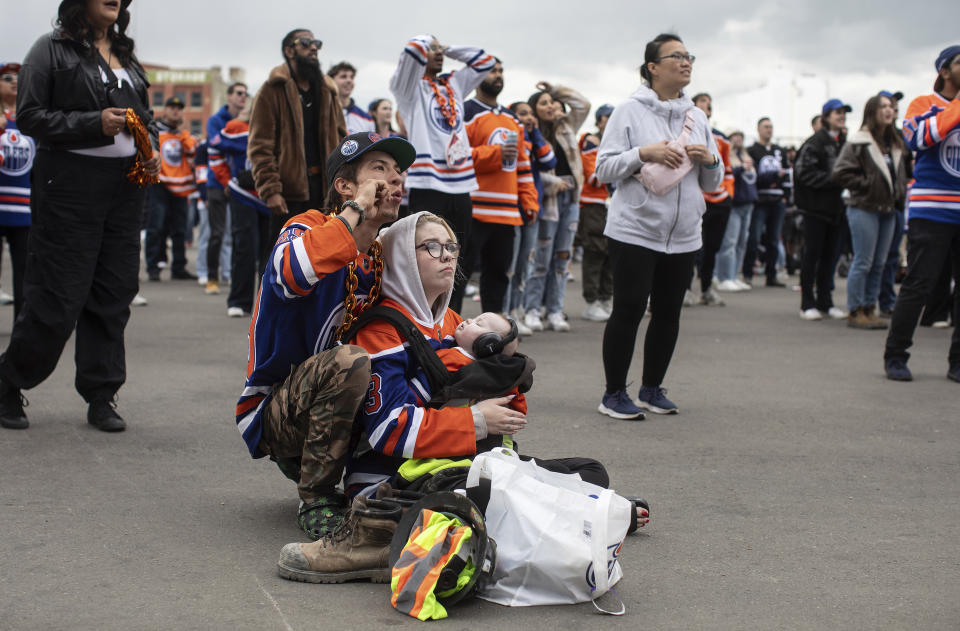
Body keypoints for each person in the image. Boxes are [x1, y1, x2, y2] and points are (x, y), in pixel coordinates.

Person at [275, 211, 645, 584]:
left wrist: (506, 375)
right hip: (393, 479)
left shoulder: (453, 322)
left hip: (459, 463)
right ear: (401, 256)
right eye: (432, 247)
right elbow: (388, 431)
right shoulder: (381, 330)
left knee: (590, 471)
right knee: (482, 493)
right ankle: (376, 536)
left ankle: (582, 511)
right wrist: (476, 420)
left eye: (452, 246)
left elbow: (494, 406)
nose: (448, 255)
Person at [236, 131, 414, 539]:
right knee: (350, 361)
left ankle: (369, 481)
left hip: (334, 393)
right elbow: (291, 274)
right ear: (345, 186)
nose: (397, 179)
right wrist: (354, 211)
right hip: (276, 408)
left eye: (400, 171)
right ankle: (315, 495)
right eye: (380, 170)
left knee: (406, 355)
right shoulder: (306, 228)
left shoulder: (380, 254)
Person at [0, 0, 160, 432]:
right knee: (58, 294)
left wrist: (153, 148)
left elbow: (144, 117)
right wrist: (93, 122)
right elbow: (29, 116)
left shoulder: (126, 55)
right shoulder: (50, 49)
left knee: (114, 292)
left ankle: (102, 394)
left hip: (125, 187)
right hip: (70, 183)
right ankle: (8, 380)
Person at [595, 33, 722, 419]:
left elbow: (712, 185)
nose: (686, 62)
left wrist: (710, 160)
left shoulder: (696, 116)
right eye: (677, 56)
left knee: (669, 312)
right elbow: (603, 169)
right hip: (635, 228)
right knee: (629, 308)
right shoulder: (629, 111)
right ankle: (614, 393)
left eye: (689, 56)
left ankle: (652, 389)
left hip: (683, 233)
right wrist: (642, 153)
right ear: (653, 66)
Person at [389, 34, 495, 313]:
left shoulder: (454, 84)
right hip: (428, 182)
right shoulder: (408, 89)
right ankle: (418, 317)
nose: (437, 52)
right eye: (431, 48)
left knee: (457, 256)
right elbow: (411, 50)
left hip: (460, 183)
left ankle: (451, 318)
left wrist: (450, 49)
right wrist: (425, 43)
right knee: (425, 256)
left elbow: (485, 61)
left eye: (439, 48)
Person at [884, 45, 960, 382]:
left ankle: (957, 362)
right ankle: (896, 356)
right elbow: (918, 138)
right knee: (918, 285)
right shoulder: (922, 105)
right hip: (931, 211)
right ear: (944, 71)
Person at [248, 29, 346, 251]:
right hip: (288, 192)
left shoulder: (328, 91)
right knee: (281, 257)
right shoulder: (272, 90)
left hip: (325, 191)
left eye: (316, 43)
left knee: (322, 257)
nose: (313, 48)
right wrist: (271, 189)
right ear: (289, 50)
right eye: (305, 43)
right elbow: (260, 146)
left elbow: (342, 139)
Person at [462, 59, 538, 315]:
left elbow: (523, 166)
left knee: (498, 277)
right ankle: (449, 331)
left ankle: (492, 334)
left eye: (500, 71)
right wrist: (494, 153)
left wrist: (528, 200)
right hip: (474, 210)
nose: (498, 76)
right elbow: (455, 157)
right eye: (492, 71)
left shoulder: (512, 119)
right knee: (459, 276)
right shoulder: (465, 112)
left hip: (506, 213)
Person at [832, 94, 908, 330]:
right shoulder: (859, 140)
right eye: (884, 107)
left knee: (880, 262)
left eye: (891, 107)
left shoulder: (894, 141)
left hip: (889, 208)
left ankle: (869, 307)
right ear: (872, 111)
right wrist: (866, 185)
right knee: (863, 261)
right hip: (864, 207)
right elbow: (841, 172)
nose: (889, 110)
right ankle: (855, 310)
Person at [522, 82, 591, 333]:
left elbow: (583, 104)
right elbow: (530, 169)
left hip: (571, 197)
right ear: (533, 109)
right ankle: (531, 309)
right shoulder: (530, 131)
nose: (550, 106)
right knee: (540, 257)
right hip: (546, 198)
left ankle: (554, 310)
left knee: (563, 255)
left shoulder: (566, 126)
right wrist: (552, 183)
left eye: (552, 102)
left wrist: (555, 90)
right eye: (543, 103)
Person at [207, 113, 272, 318]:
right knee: (244, 249)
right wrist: (226, 179)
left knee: (271, 254)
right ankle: (239, 301)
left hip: (272, 196)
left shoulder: (278, 126)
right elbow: (213, 147)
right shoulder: (236, 126)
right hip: (243, 195)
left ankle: (267, 305)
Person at [795, 99, 851, 321]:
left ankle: (825, 302)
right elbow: (804, 173)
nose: (841, 116)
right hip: (815, 209)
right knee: (812, 256)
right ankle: (807, 303)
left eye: (843, 113)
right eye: (837, 113)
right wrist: (836, 180)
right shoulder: (815, 142)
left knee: (830, 257)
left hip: (836, 210)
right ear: (826, 116)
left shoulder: (843, 142)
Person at [506, 100, 555, 334]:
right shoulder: (512, 139)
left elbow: (549, 161)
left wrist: (535, 132)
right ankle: (505, 313)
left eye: (530, 114)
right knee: (511, 264)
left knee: (526, 263)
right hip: (510, 208)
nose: (528, 117)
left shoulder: (533, 140)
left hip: (532, 208)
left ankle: (517, 310)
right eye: (522, 114)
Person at [145, 96, 197, 282]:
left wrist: (183, 134)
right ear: (165, 110)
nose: (176, 111)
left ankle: (179, 267)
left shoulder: (183, 136)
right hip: (159, 185)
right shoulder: (155, 132)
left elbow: (193, 154)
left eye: (179, 108)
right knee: (155, 227)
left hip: (181, 188)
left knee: (180, 230)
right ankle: (153, 267)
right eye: (172, 107)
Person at [201, 81, 246, 294]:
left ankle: (233, 277)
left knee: (238, 234)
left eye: (245, 94)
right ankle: (212, 278)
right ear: (229, 96)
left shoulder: (248, 121)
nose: (242, 97)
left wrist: (231, 141)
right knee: (217, 233)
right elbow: (216, 145)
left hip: (240, 185)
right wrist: (235, 139)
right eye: (238, 93)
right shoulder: (215, 120)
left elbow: (244, 147)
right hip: (217, 184)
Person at [691, 92, 733, 306]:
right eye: (703, 101)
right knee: (692, 246)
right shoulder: (686, 131)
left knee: (713, 248)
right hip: (697, 200)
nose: (707, 105)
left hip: (720, 201)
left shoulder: (721, 137)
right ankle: (685, 288)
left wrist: (728, 192)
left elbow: (726, 168)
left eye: (710, 102)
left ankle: (706, 289)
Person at [0, 62, 32, 320]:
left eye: (18, 78)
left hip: (24, 209)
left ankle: (23, 327)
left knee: (25, 271)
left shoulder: (30, 119)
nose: (14, 81)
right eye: (7, 77)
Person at [578, 104, 614, 321]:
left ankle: (605, 298)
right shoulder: (591, 142)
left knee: (611, 253)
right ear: (599, 120)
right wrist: (621, 169)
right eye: (607, 117)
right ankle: (591, 302)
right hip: (593, 205)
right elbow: (594, 176)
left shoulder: (618, 142)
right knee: (595, 252)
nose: (611, 121)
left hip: (613, 204)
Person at [745, 117, 790, 288]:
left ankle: (772, 275)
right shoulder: (752, 151)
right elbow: (754, 177)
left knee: (774, 239)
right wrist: (773, 176)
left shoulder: (779, 151)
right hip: (760, 200)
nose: (769, 130)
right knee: (754, 237)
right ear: (758, 129)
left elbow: (786, 175)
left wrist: (786, 196)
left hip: (778, 200)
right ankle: (748, 273)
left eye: (771, 127)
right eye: (766, 127)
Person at [715, 130, 758, 292]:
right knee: (729, 242)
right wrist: (740, 168)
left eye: (741, 137)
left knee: (741, 243)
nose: (738, 140)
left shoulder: (746, 157)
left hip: (748, 204)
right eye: (734, 137)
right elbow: (727, 174)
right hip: (734, 204)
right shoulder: (727, 157)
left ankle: (733, 275)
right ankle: (723, 276)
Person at [328, 61, 375, 135]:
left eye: (352, 77)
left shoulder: (367, 118)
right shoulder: (323, 111)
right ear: (331, 80)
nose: (349, 80)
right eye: (343, 76)